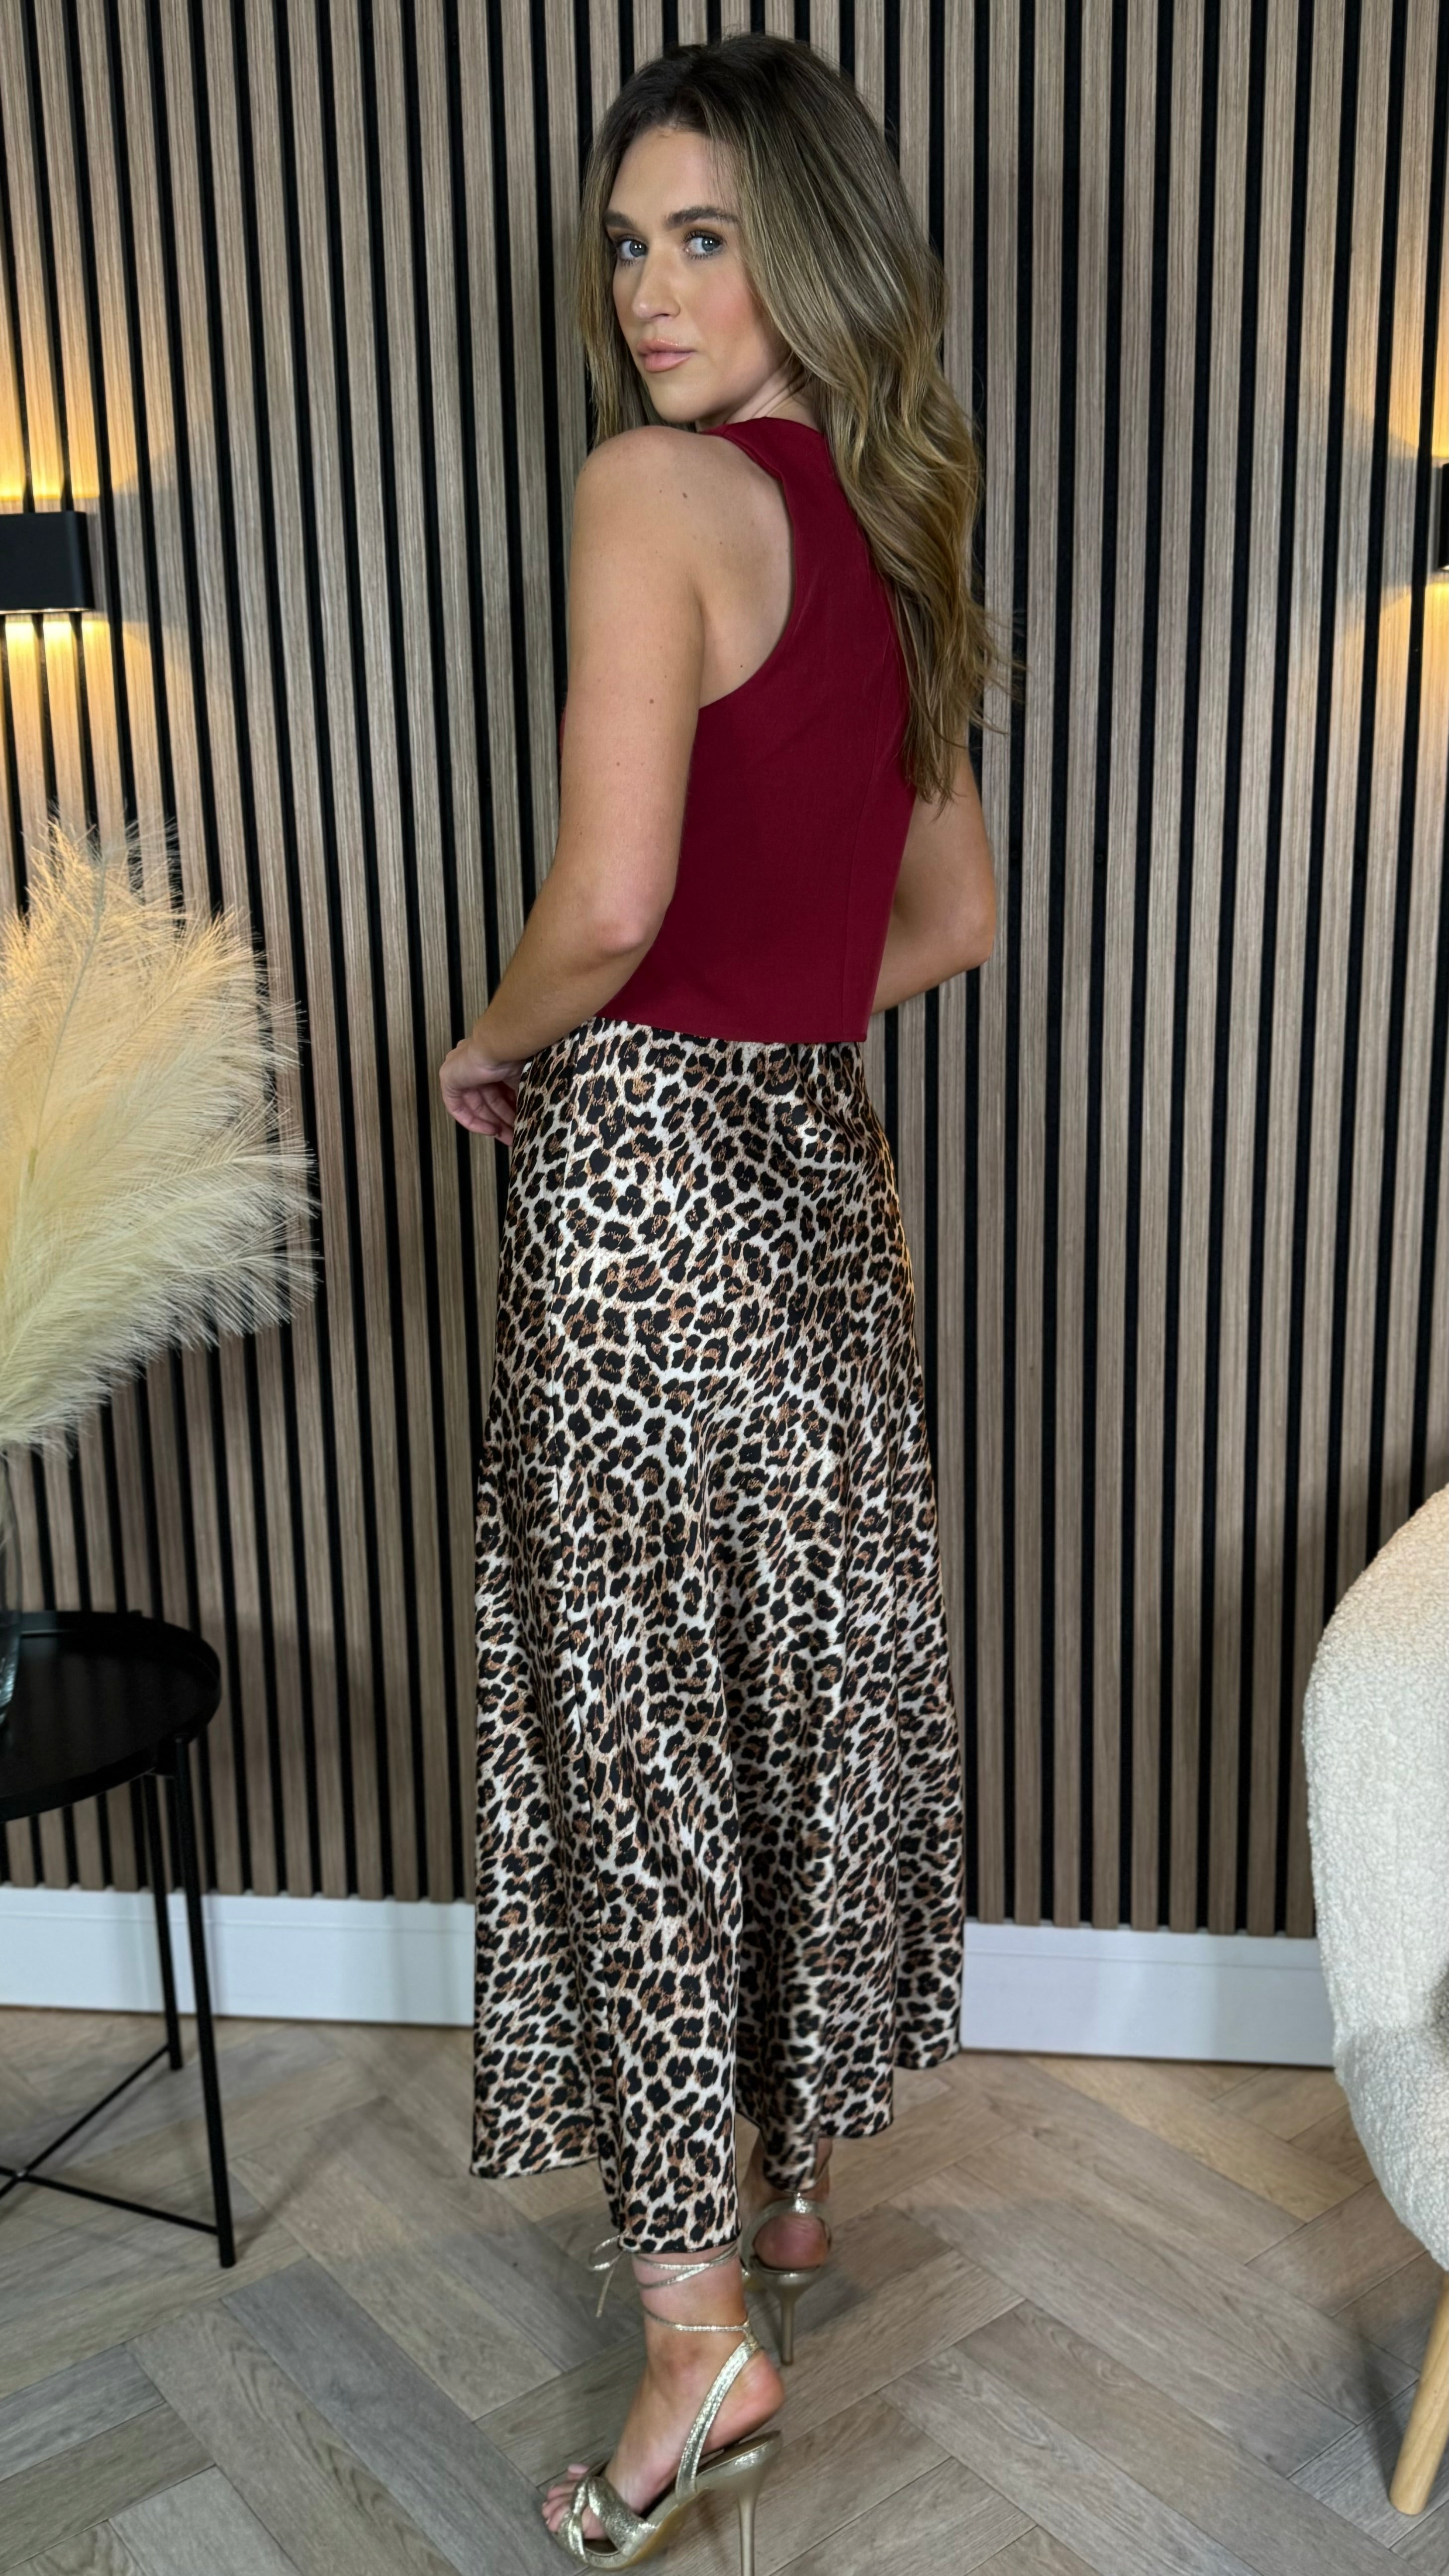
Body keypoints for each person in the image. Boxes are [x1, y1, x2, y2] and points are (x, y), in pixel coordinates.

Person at [438, 31, 1009, 2571]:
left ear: (808, 247)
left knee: (642, 1732)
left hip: (649, 1175)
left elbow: (607, 903)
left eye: (703, 237)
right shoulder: (891, 526)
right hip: (816, 1176)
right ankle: (783, 2183)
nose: (649, 292)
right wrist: (777, 1017)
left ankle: (699, 2341)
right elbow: (952, 919)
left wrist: (490, 1041)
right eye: (626, 243)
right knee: (790, 1687)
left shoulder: (647, 490)